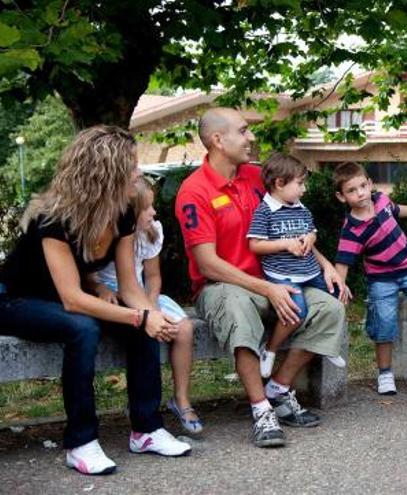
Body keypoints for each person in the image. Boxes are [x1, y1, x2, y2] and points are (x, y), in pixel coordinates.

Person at [0, 126, 191, 475]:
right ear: (106, 171)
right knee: (83, 328)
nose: (138, 172)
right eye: (132, 165)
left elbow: (131, 288)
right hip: (17, 300)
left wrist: (152, 315)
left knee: (143, 320)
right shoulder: (53, 217)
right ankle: (80, 442)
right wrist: (138, 317)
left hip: (67, 300)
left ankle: (146, 429)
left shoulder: (121, 213)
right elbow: (73, 300)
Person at [175, 108, 346, 448]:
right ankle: (261, 410)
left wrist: (324, 263)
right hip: (224, 286)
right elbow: (208, 264)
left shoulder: (259, 177)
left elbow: (294, 228)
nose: (251, 138)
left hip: (279, 280)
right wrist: (267, 288)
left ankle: (278, 390)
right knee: (237, 306)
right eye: (243, 131)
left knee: (330, 309)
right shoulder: (194, 191)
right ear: (218, 140)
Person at [94, 176, 203, 435]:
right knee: (143, 332)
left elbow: (152, 277)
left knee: (184, 328)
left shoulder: (152, 232)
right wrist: (101, 289)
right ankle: (140, 405)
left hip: (141, 295)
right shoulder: (107, 234)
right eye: (146, 208)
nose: (153, 212)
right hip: (111, 296)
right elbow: (87, 273)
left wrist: (152, 304)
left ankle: (181, 397)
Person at [332, 161, 407, 395]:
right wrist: (338, 290)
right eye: (351, 190)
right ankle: (385, 373)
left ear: (370, 184)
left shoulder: (381, 200)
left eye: (363, 186)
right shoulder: (352, 230)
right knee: (384, 324)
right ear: (342, 197)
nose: (360, 193)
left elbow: (398, 209)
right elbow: (342, 263)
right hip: (381, 280)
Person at [246, 152, 349, 378]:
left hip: (309, 270)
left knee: (337, 296)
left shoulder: (300, 207)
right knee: (297, 311)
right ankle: (270, 350)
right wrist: (284, 244)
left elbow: (311, 232)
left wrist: (311, 238)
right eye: (300, 184)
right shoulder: (264, 212)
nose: (304, 189)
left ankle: (327, 344)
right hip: (283, 275)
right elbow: (255, 245)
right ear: (279, 183)